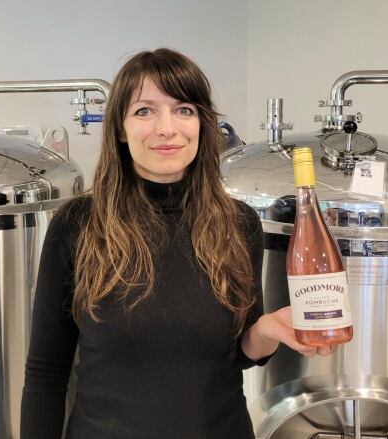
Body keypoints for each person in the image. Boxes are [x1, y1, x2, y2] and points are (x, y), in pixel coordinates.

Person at [20, 48, 333, 439]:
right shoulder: (78, 224)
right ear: (120, 127)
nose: (167, 129)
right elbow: (46, 371)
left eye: (184, 109)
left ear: (202, 123)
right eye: (145, 111)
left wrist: (267, 331)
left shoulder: (238, 222)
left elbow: (237, 353)